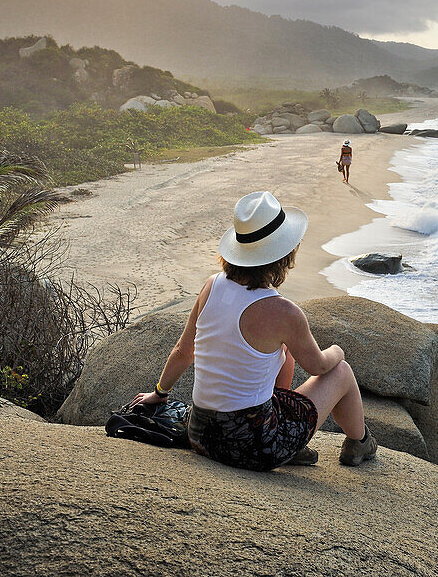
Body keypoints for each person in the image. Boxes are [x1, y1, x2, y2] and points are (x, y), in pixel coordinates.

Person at [126, 191, 377, 471]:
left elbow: (184, 351)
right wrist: (338, 351)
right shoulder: (284, 312)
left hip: (199, 434)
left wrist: (159, 393)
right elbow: (319, 366)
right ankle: (360, 442)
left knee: (283, 352)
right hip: (252, 447)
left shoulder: (211, 286)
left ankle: (287, 430)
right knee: (340, 371)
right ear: (284, 253)